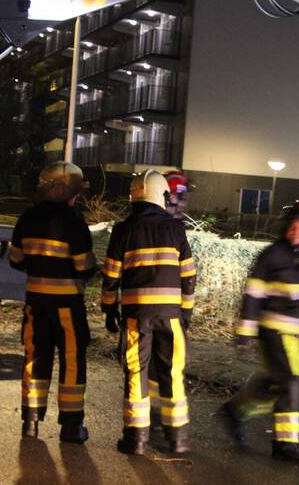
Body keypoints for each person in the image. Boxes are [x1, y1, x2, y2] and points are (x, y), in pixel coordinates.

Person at [219, 202, 299, 464]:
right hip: (273, 333)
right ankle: (285, 444)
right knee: (290, 384)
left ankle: (235, 410)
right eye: (298, 225)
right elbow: (253, 297)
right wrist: (245, 335)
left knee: (276, 384)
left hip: (296, 338)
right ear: (288, 226)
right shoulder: (271, 257)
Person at [101, 170, 196, 456]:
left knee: (136, 371)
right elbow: (188, 275)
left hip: (136, 316)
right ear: (161, 196)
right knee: (172, 372)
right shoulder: (175, 229)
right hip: (171, 315)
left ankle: (136, 439)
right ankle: (177, 438)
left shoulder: (123, 230)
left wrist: (109, 309)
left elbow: (111, 276)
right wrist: (186, 312)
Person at [9, 161, 95, 443]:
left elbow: (15, 260)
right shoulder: (74, 222)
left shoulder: (27, 218)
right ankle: (70, 426)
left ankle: (30, 422)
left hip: (35, 303)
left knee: (35, 357)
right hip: (67, 305)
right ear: (69, 190)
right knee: (71, 360)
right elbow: (85, 267)